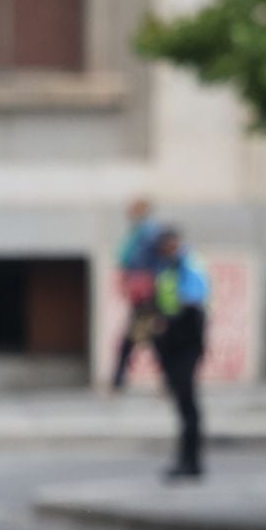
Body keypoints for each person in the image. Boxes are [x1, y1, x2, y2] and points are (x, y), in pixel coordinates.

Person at [151, 226, 210, 480]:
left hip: (185, 341)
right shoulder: (166, 268)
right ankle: (186, 460)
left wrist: (169, 323)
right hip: (171, 343)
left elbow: (192, 303)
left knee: (188, 405)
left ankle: (192, 461)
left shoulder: (189, 265)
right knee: (182, 405)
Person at [110, 198, 162, 391]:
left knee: (145, 336)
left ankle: (118, 380)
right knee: (149, 337)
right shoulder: (140, 232)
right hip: (142, 293)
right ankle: (118, 380)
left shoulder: (148, 232)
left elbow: (136, 260)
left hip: (146, 294)